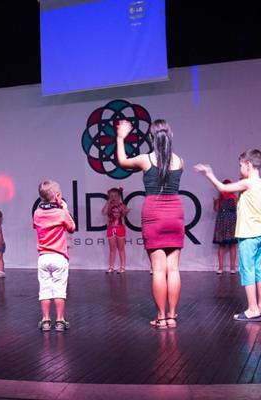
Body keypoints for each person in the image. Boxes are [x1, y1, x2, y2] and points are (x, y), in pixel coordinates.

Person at [115, 119, 184, 329]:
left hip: (154, 213)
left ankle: (161, 317)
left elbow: (122, 161)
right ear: (170, 136)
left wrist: (121, 137)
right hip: (175, 212)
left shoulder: (146, 160)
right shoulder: (179, 161)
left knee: (158, 269)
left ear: (151, 138)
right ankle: (172, 317)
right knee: (173, 269)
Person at [196, 149, 261, 322]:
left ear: (248, 164)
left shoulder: (248, 182)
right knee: (259, 270)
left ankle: (253, 309)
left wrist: (209, 174)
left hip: (249, 233)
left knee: (247, 270)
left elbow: (223, 188)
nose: (239, 169)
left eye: (240, 165)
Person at [33, 180, 76, 332]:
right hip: (59, 257)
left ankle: (45, 320)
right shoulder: (61, 213)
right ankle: (60, 320)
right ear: (57, 196)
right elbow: (72, 227)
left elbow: (36, 225)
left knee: (44, 290)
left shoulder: (37, 213)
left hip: (43, 257)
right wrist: (65, 209)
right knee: (59, 290)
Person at [212, 180, 238, 275]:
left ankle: (232, 267)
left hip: (231, 221)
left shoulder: (234, 198)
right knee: (221, 245)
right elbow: (216, 210)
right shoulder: (220, 198)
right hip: (222, 221)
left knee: (232, 244)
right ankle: (220, 267)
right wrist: (215, 203)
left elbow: (238, 209)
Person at [102, 187, 129, 274]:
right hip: (110, 228)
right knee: (112, 248)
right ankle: (111, 266)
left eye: (115, 196)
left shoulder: (122, 205)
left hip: (120, 228)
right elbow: (103, 213)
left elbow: (124, 213)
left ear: (119, 197)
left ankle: (122, 266)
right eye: (111, 196)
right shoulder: (108, 205)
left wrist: (125, 210)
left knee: (121, 248)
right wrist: (107, 203)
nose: (113, 198)